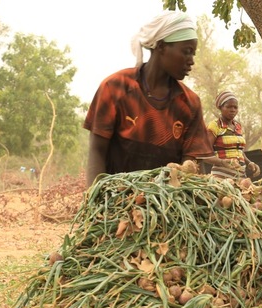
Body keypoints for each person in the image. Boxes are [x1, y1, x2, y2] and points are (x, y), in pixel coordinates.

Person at [84, 11, 218, 188]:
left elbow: (190, 164)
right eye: (187, 52)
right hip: (116, 202)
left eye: (193, 53)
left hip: (165, 205)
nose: (191, 61)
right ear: (161, 46)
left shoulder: (189, 104)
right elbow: (97, 150)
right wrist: (95, 201)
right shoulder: (115, 88)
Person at [207, 91, 260, 179]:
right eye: (229, 107)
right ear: (220, 108)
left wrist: (249, 162)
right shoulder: (215, 126)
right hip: (221, 177)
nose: (233, 110)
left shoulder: (238, 126)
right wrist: (222, 162)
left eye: (235, 107)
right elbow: (205, 153)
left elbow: (239, 150)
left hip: (241, 176)